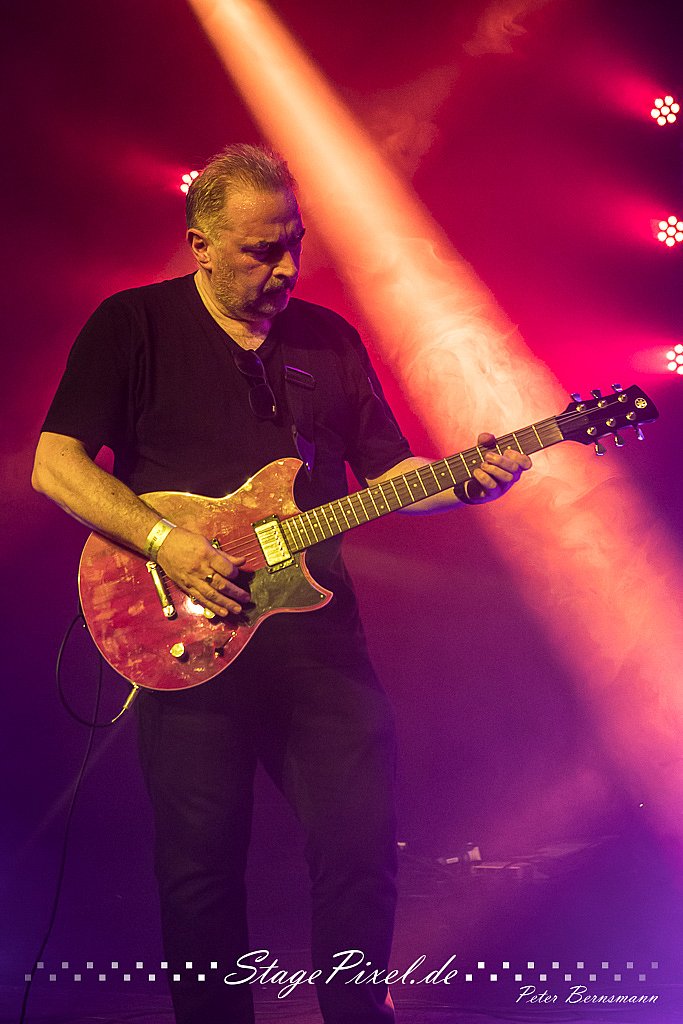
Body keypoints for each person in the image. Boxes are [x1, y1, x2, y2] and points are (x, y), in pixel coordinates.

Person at [32, 143, 531, 1024]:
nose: (287, 268)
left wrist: (463, 482)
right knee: (199, 871)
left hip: (316, 642)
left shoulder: (327, 340)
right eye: (262, 250)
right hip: (187, 639)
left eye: (294, 243)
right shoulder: (132, 324)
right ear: (201, 245)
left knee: (359, 848)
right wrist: (164, 540)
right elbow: (54, 463)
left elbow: (386, 474)